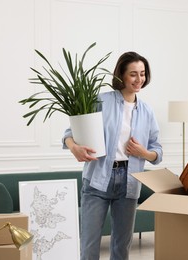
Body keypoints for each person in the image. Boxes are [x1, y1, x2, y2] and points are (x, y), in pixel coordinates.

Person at [63, 51, 163, 260]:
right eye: (133, 74)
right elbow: (69, 133)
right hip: (98, 179)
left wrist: (144, 153)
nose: (139, 79)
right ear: (121, 75)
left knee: (121, 247)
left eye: (142, 74)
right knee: (89, 245)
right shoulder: (100, 100)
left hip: (129, 181)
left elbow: (157, 152)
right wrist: (74, 148)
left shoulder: (147, 111)